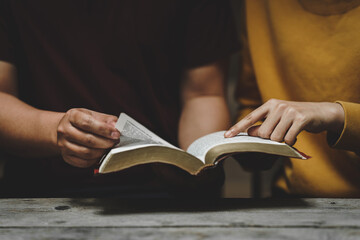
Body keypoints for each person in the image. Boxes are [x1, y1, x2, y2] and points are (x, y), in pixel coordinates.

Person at [0, 0, 239, 197]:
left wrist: (195, 162)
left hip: (165, 191)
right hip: (40, 190)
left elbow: (203, 94)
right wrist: (56, 130)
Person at [225, 0, 360, 197]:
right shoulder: (260, 5)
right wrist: (254, 139)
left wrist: (337, 116)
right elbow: (251, 103)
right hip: (292, 198)